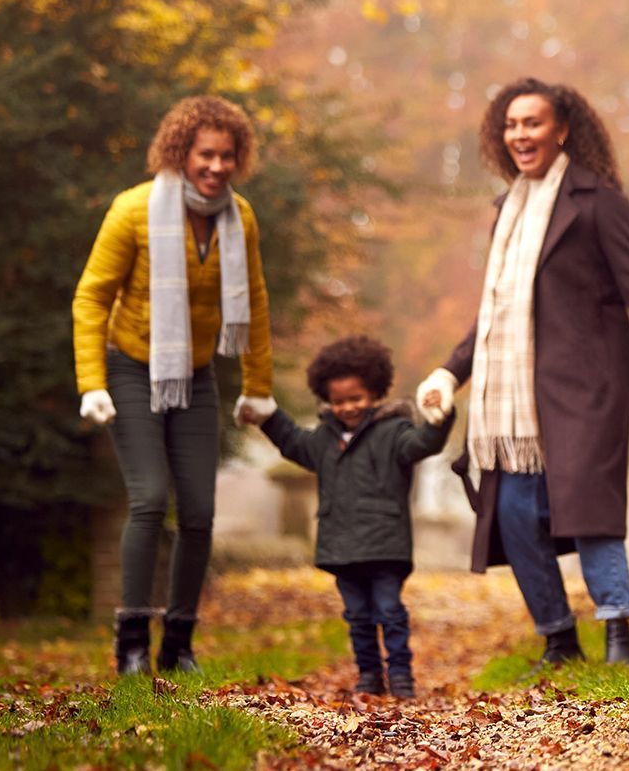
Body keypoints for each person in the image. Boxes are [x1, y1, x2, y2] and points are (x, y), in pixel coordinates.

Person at [414, 78, 629, 671]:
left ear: (561, 129)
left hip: (587, 386)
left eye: (532, 123)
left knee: (589, 508)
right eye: (511, 125)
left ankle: (617, 637)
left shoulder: (598, 199)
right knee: (511, 512)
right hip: (514, 403)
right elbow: (495, 312)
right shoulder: (505, 208)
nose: (520, 134)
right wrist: (447, 375)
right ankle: (558, 642)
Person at [72, 95, 277, 677]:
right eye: (205, 155)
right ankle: (132, 643)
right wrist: (92, 381)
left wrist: (258, 386)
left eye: (227, 157)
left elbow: (255, 305)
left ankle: (179, 643)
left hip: (196, 374)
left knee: (200, 511)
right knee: (149, 497)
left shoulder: (241, 218)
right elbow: (92, 297)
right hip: (130, 366)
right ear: (180, 153)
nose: (216, 167)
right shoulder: (133, 210)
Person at [250, 335, 453, 698]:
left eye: (356, 398)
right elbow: (293, 441)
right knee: (358, 616)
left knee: (389, 611)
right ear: (327, 399)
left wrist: (439, 419)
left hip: (386, 543)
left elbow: (424, 444)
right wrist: (268, 416)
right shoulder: (323, 440)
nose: (347, 407)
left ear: (374, 393)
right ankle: (369, 675)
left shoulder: (394, 432)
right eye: (339, 401)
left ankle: (402, 676)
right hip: (341, 545)